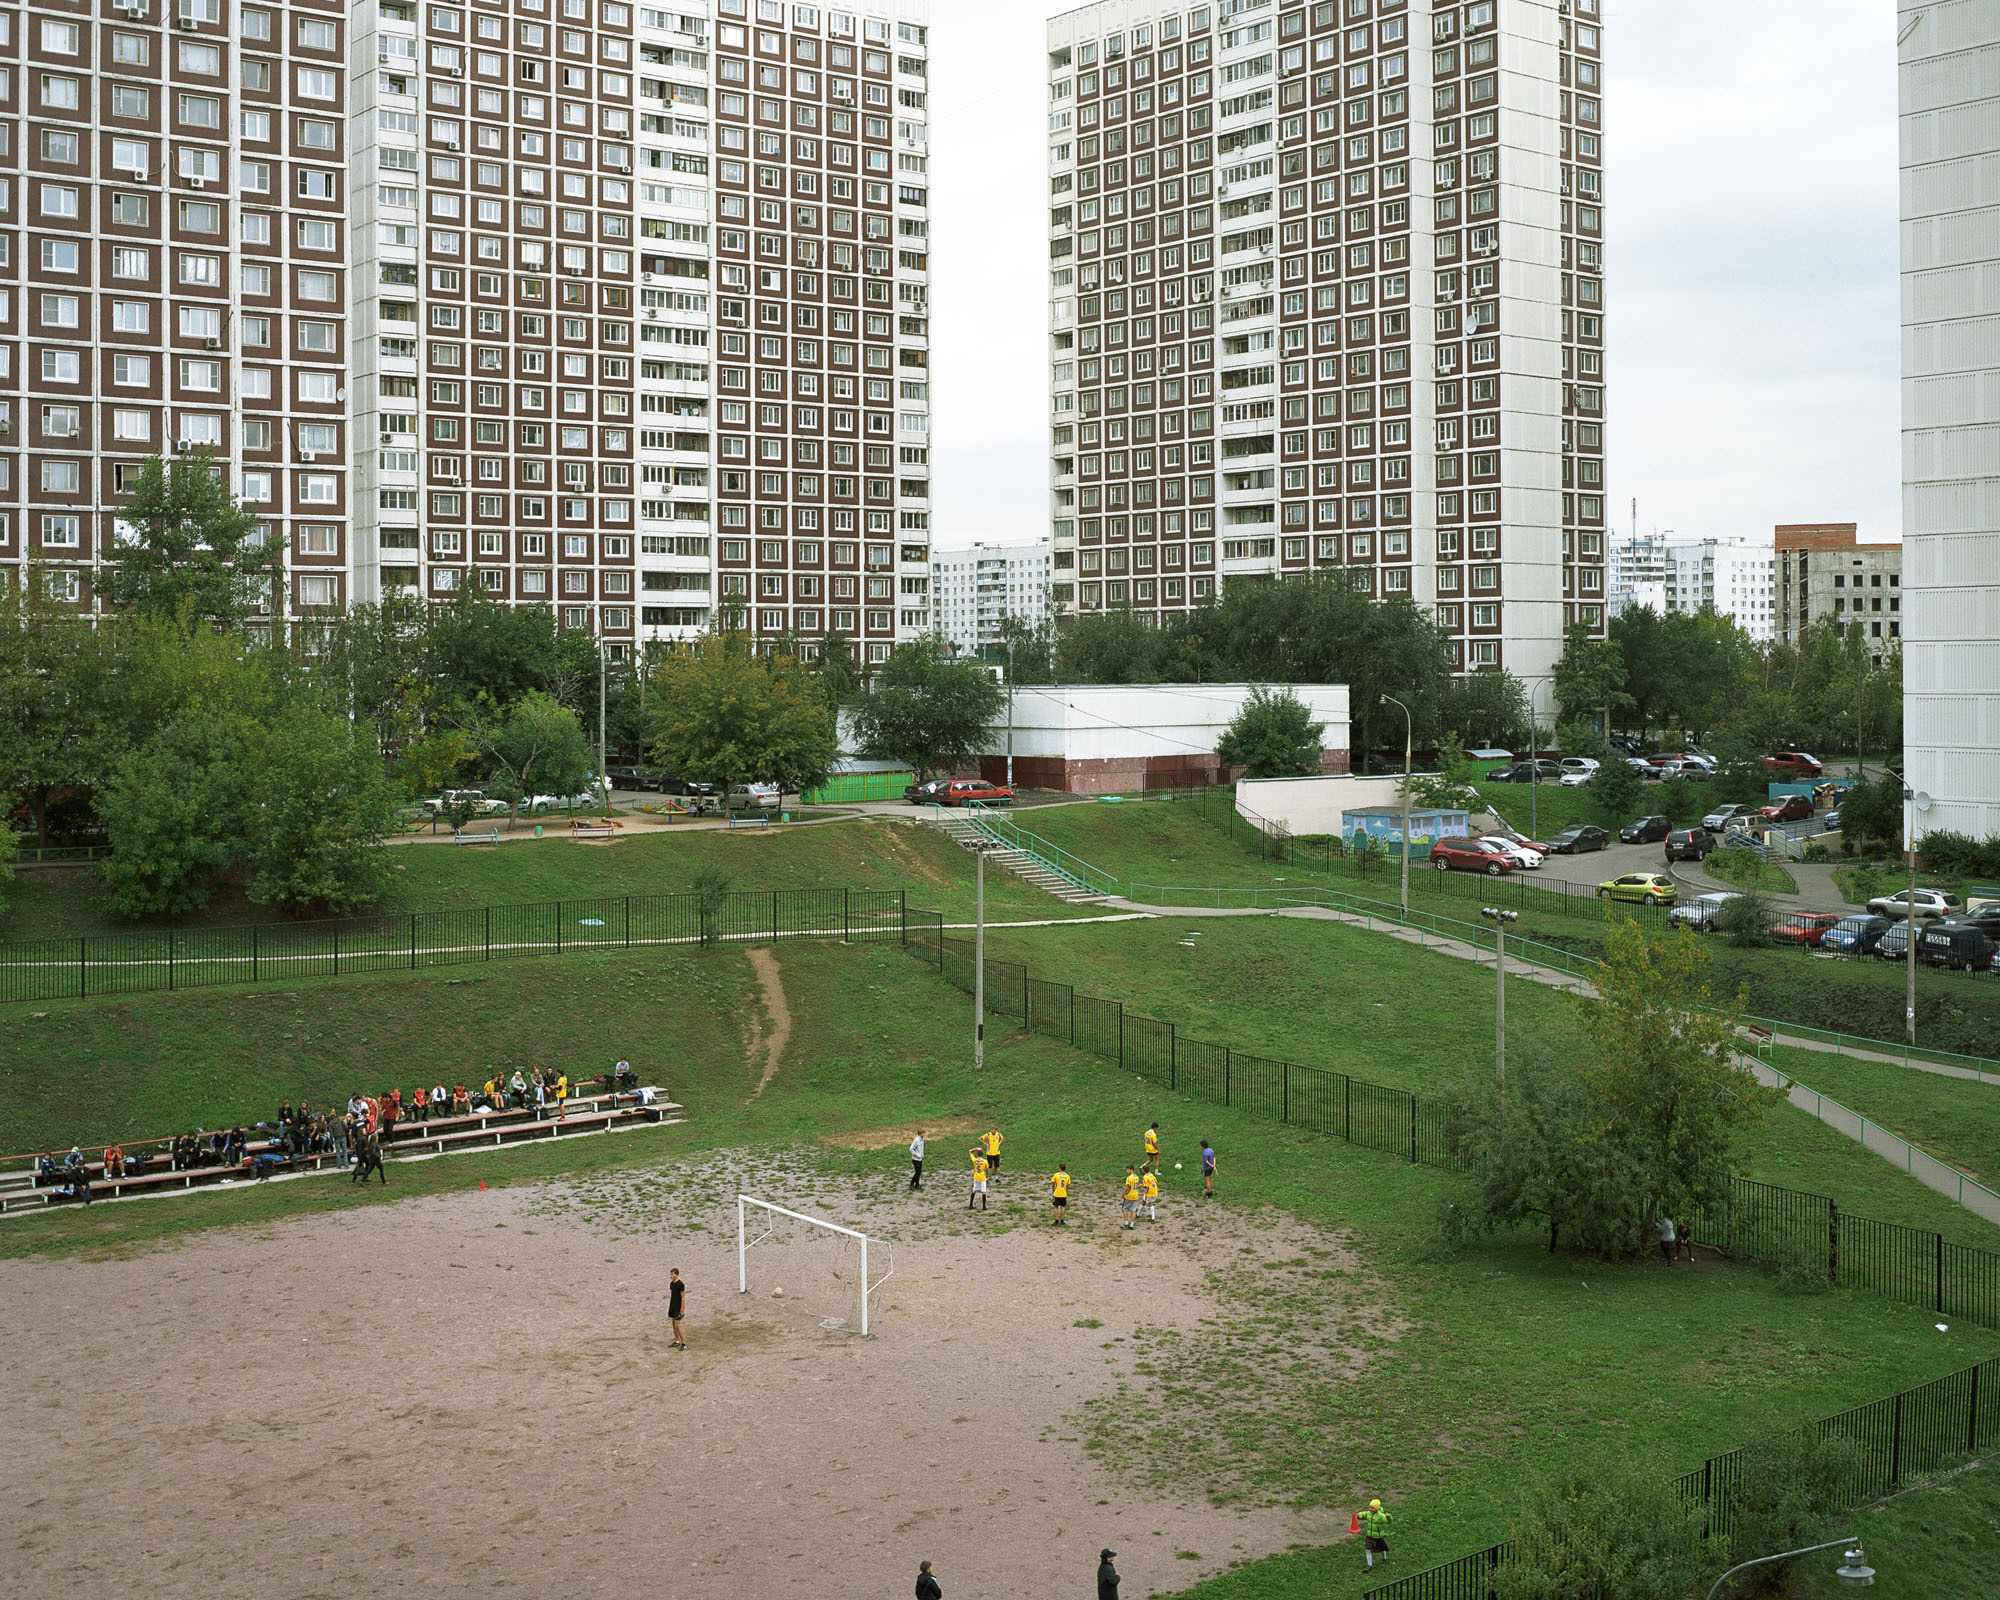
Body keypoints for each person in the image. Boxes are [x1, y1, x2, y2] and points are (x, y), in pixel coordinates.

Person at [1361, 1498, 1393, 1570]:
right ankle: (1369, 1565)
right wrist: (1359, 1515)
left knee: (1382, 1548)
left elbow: (1388, 1522)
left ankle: (1384, 1558)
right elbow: (1362, 1514)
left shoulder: (1381, 1516)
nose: (1370, 1509)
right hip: (1369, 1536)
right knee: (1368, 1549)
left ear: (1377, 1508)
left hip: (1378, 1536)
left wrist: (1389, 1517)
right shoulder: (1368, 1513)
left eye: (1373, 1508)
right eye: (1370, 1507)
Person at [668, 1267, 687, 1350]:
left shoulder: (681, 1284)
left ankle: (684, 1343)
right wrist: (670, 1305)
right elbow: (672, 1295)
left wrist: (682, 1309)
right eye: (670, 1274)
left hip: (678, 1307)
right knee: (673, 1324)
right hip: (672, 1306)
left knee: (677, 1326)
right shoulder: (671, 1284)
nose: (671, 1276)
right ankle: (677, 1341)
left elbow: (683, 1297)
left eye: (672, 1274)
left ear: (677, 1275)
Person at [968, 1147, 989, 1211]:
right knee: (983, 1192)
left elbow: (970, 1151)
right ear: (982, 1154)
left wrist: (976, 1148)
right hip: (982, 1177)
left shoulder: (975, 1160)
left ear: (977, 1154)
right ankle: (984, 1206)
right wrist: (987, 1176)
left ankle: (970, 1205)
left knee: (974, 1190)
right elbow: (987, 1170)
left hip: (976, 1177)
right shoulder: (985, 1161)